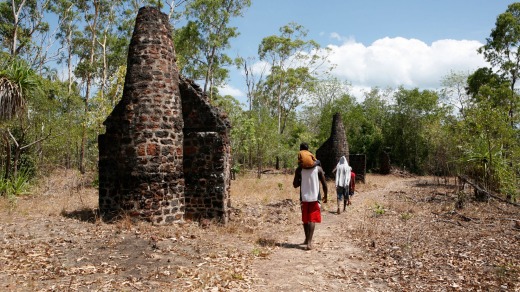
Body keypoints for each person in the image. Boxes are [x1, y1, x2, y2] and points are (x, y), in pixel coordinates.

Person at [293, 160, 328, 250]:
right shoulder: (319, 169)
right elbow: (324, 184)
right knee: (312, 219)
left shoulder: (299, 169)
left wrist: (303, 181)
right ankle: (309, 242)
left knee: (305, 219)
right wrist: (326, 196)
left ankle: (306, 239)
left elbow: (295, 185)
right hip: (315, 197)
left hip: (303, 197)